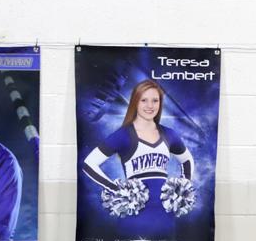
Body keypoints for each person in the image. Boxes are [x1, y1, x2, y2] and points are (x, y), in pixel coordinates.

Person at [81, 79, 194, 222]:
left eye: (155, 100)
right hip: (135, 214)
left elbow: (187, 159)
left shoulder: (169, 134)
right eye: (144, 100)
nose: (150, 106)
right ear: (135, 102)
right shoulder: (123, 134)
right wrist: (114, 189)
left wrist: (183, 186)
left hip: (166, 214)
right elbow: (89, 164)